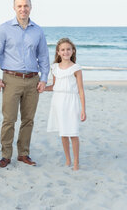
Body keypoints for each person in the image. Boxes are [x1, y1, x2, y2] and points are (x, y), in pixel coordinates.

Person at [0, 0, 49, 168]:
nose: (23, 9)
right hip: (11, 79)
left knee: (28, 119)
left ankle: (23, 154)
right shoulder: (4, 29)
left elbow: (44, 57)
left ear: (31, 7)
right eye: (20, 6)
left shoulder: (38, 31)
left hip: (32, 80)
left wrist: (44, 79)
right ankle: (6, 155)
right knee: (9, 119)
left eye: (26, 6)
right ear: (14, 8)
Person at [45, 38, 86, 171]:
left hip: (71, 102)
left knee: (72, 132)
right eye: (62, 49)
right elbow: (54, 86)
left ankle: (76, 162)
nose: (65, 52)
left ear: (73, 51)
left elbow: (80, 90)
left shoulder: (76, 68)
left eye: (68, 49)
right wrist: (42, 88)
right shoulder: (55, 68)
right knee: (63, 133)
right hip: (58, 101)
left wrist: (83, 109)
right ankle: (67, 159)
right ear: (58, 52)